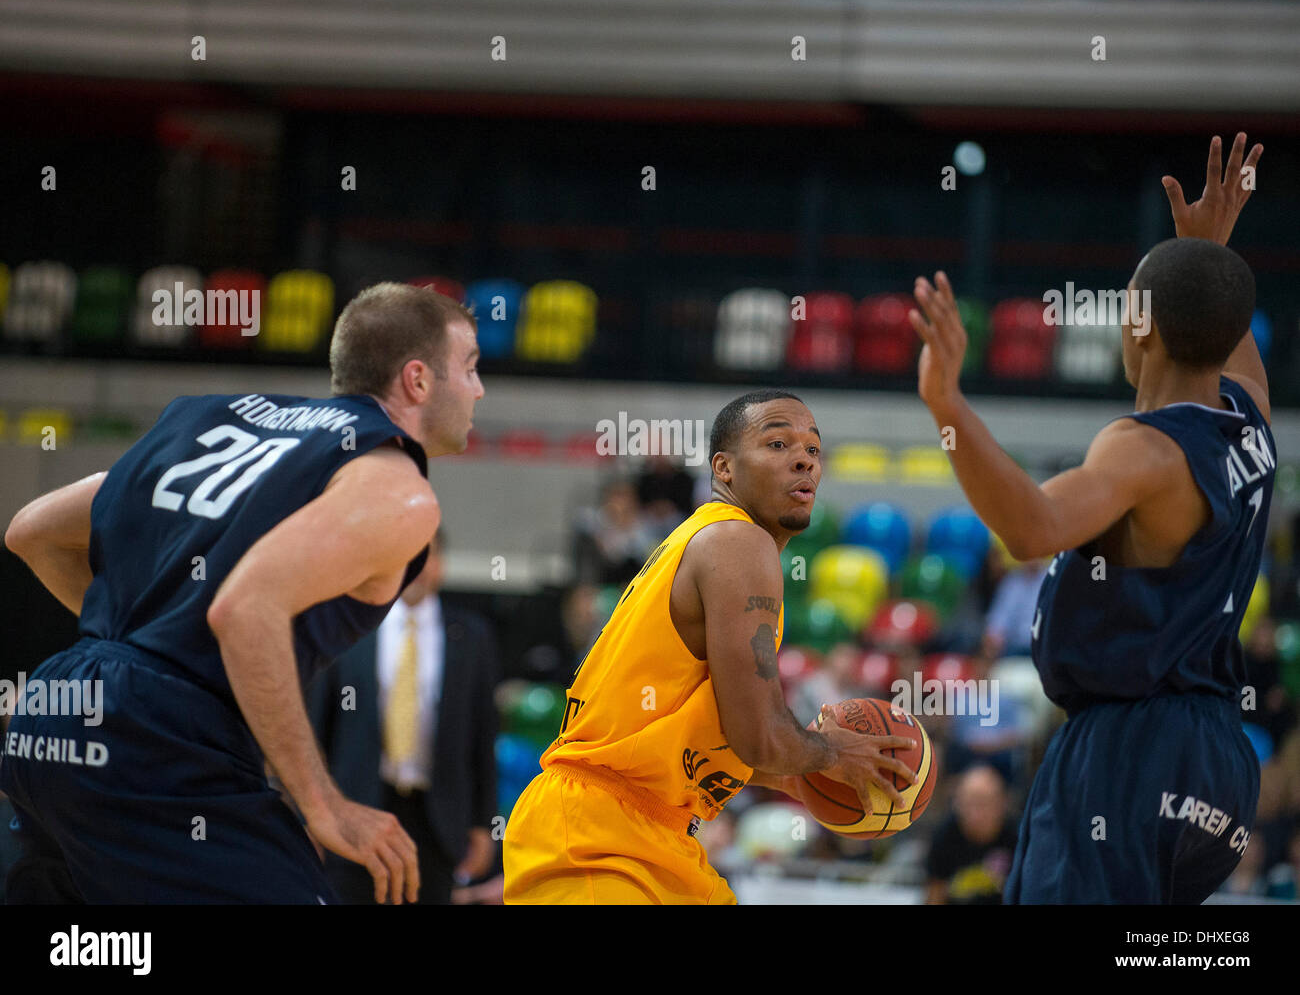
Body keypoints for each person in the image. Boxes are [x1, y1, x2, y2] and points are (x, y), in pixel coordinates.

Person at [0, 282, 483, 904]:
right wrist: (325, 805)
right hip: (160, 738)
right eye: (469, 368)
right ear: (418, 380)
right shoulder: (398, 491)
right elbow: (245, 609)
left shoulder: (218, 421)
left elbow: (30, 531)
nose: (478, 390)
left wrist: (145, 644)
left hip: (53, 714)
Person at [907, 133, 1272, 904]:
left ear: (1140, 325)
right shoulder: (1250, 416)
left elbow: (1033, 530)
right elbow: (1215, 310)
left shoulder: (1142, 449)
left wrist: (948, 406)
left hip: (1129, 751)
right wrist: (1203, 254)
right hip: (1216, 760)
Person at [502, 389, 918, 904]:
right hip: (599, 836)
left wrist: (791, 773)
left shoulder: (718, 544)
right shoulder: (737, 541)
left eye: (813, 449)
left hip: (649, 830)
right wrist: (831, 754)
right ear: (723, 468)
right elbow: (758, 735)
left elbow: (707, 731)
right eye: (778, 443)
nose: (803, 459)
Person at [308, 527, 500, 905]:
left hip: (438, 819)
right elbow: (318, 727)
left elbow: (483, 737)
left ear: (442, 564)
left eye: (427, 556)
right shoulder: (350, 628)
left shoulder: (473, 636)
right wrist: (314, 812)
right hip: (356, 808)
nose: (418, 568)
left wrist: (484, 825)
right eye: (406, 557)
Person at [925, 764, 1019, 906]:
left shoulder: (1017, 837)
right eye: (968, 803)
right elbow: (935, 895)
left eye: (983, 804)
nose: (975, 814)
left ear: (1001, 803)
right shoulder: (944, 836)